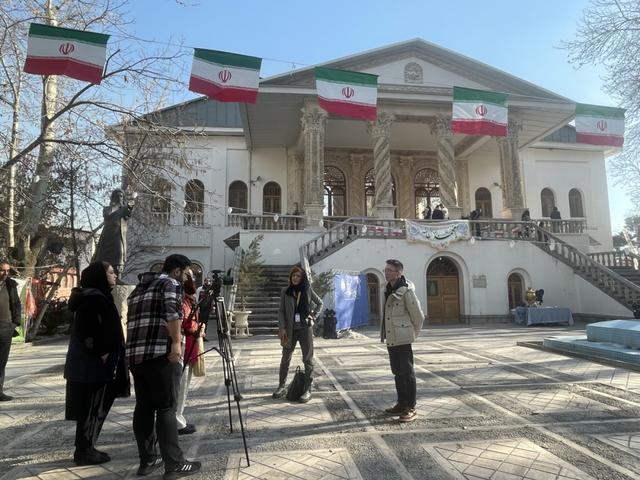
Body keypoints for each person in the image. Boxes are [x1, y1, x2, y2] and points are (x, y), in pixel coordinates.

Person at [126, 254, 201, 479]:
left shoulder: (139, 288)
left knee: (144, 407)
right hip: (162, 354)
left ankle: (148, 460)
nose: (190, 276)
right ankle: (174, 464)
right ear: (177, 270)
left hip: (137, 356)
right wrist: (176, 344)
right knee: (167, 407)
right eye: (188, 271)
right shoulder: (171, 283)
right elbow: (173, 314)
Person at [64, 262, 128, 465]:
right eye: (111, 272)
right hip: (91, 367)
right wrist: (103, 352)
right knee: (90, 408)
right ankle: (84, 451)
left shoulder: (94, 296)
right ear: (100, 275)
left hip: (89, 366)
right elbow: (89, 330)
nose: (115, 275)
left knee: (90, 408)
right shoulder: (93, 299)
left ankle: (86, 447)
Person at [381, 259, 424, 423]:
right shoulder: (389, 289)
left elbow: (418, 316)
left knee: (407, 373)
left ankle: (411, 407)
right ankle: (401, 403)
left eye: (390, 270)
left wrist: (411, 334)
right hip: (392, 337)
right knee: (397, 372)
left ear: (399, 273)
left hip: (403, 339)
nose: (386, 273)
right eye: (385, 270)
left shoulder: (406, 291)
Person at [272, 266, 323, 403]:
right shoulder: (285, 291)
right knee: (285, 358)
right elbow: (281, 311)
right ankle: (281, 386)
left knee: (308, 359)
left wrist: (313, 316)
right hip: (289, 330)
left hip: (305, 329)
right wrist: (282, 327)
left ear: (302, 278)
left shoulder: (307, 290)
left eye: (298, 276)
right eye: (293, 276)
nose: (295, 278)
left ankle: (307, 389)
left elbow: (320, 304)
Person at [175, 268, 201, 436]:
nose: (193, 279)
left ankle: (179, 417)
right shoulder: (181, 299)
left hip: (190, 346)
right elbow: (186, 323)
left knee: (184, 385)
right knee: (180, 385)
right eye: (190, 276)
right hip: (184, 347)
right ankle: (176, 421)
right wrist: (198, 327)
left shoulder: (189, 299)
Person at [93, 189, 134, 276]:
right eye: (117, 196)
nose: (119, 198)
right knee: (103, 257)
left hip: (118, 235)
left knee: (119, 255)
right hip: (107, 235)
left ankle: (117, 276)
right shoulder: (107, 208)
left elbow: (129, 211)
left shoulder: (124, 209)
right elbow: (108, 215)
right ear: (113, 198)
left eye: (121, 196)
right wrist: (117, 205)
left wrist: (132, 200)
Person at [0, 261, 21, 402]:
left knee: (1, 362)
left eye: (8, 271)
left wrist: (15, 324)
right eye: (2, 271)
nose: (5, 274)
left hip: (6, 328)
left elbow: (17, 304)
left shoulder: (11, 284)